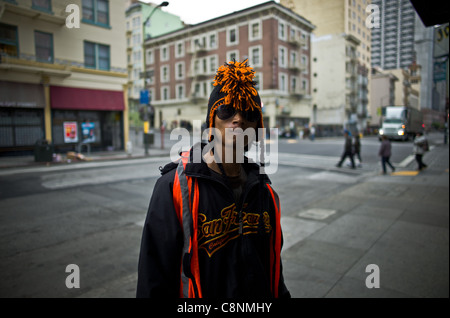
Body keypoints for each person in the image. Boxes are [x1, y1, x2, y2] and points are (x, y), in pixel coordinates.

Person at [136, 60, 290, 298]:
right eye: (227, 110)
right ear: (212, 121)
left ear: (257, 126)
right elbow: (154, 278)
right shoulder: (175, 187)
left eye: (248, 112)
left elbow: (273, 271)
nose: (238, 119)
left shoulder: (265, 192)